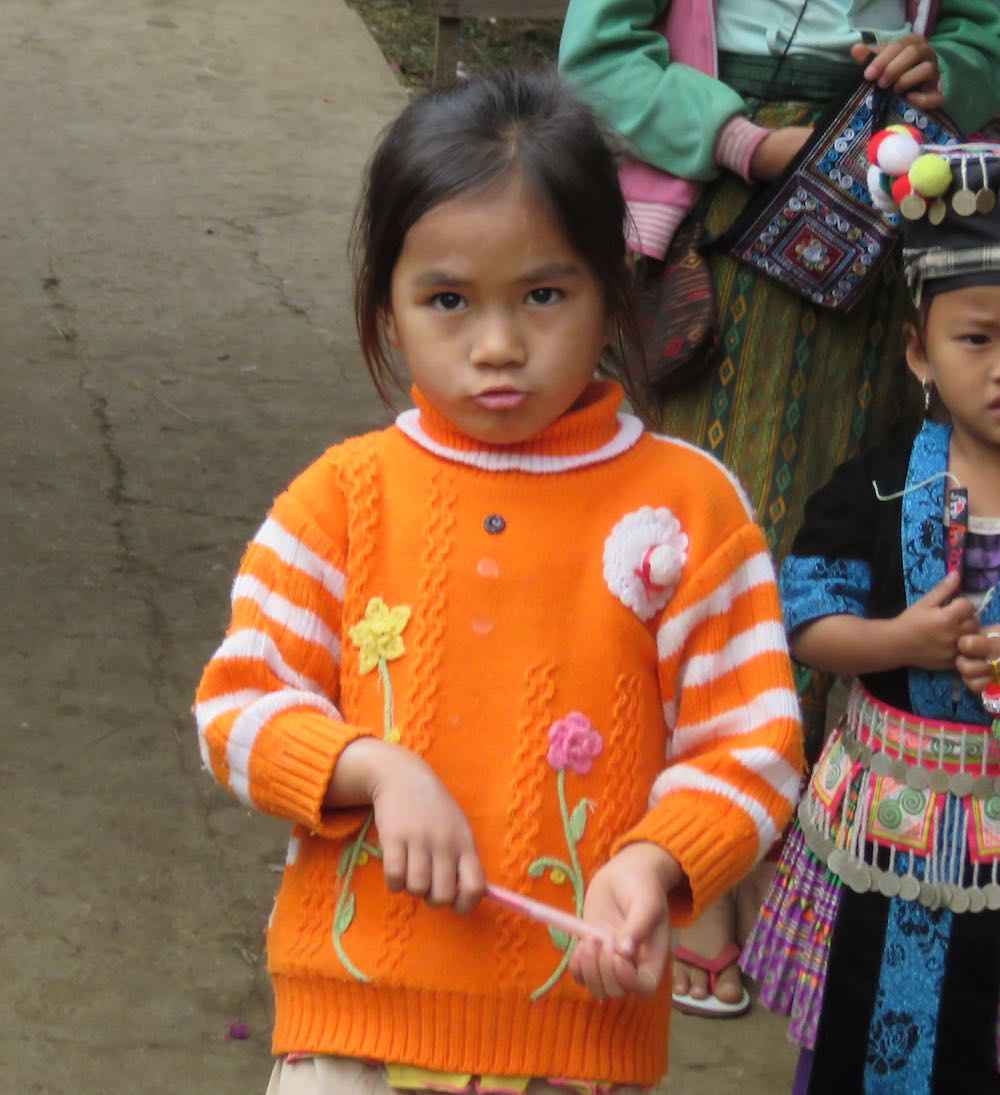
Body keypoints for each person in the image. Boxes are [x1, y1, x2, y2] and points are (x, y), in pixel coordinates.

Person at [193, 69, 803, 1095]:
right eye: (446, 300)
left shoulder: (689, 508)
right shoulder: (341, 498)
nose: (497, 346)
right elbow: (238, 706)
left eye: (544, 295)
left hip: (574, 1037)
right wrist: (375, 769)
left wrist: (653, 862)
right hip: (351, 1035)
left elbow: (754, 744)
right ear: (385, 306)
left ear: (615, 286)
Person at [558, 0, 1000, 1020]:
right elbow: (598, 51)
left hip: (895, 193)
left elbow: (983, 30)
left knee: (851, 523)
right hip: (724, 190)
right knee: (710, 528)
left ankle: (784, 844)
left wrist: (952, 71)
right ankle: (684, 859)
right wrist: (744, 142)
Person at [741, 139, 1000, 1092]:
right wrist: (901, 643)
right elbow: (806, 621)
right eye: (978, 340)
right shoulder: (879, 486)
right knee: (857, 1029)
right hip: (882, 826)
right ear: (918, 350)